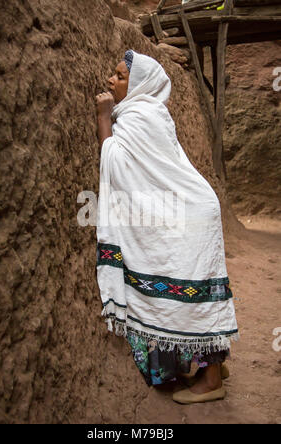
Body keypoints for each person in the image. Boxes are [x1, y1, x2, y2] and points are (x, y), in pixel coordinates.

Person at [95, 49, 239, 404]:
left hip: (187, 217)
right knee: (197, 293)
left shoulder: (138, 117)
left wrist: (102, 117)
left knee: (190, 297)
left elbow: (113, 161)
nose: (111, 81)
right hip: (192, 211)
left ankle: (210, 382)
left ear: (140, 84)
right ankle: (214, 364)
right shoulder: (151, 112)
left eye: (120, 76)